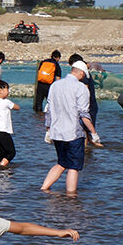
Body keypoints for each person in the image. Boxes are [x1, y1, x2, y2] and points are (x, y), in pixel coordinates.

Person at [41, 61, 100, 193]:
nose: (84, 77)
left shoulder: (55, 85)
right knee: (74, 167)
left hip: (56, 132)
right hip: (73, 133)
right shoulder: (81, 88)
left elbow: (49, 110)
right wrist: (94, 133)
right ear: (81, 72)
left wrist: (48, 130)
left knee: (61, 163)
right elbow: (84, 114)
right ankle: (71, 197)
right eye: (84, 75)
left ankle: (43, 189)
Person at [68, 53, 101, 146]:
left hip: (89, 104)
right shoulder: (84, 72)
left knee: (85, 127)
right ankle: (89, 145)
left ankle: (86, 147)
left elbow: (84, 90)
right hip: (90, 104)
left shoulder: (84, 74)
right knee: (85, 128)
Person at [0, 80, 20, 166]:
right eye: (7, 90)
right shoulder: (5, 102)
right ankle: (2, 165)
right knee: (11, 153)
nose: (8, 92)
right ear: (0, 91)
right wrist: (10, 102)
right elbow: (17, 107)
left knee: (3, 152)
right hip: (3, 131)